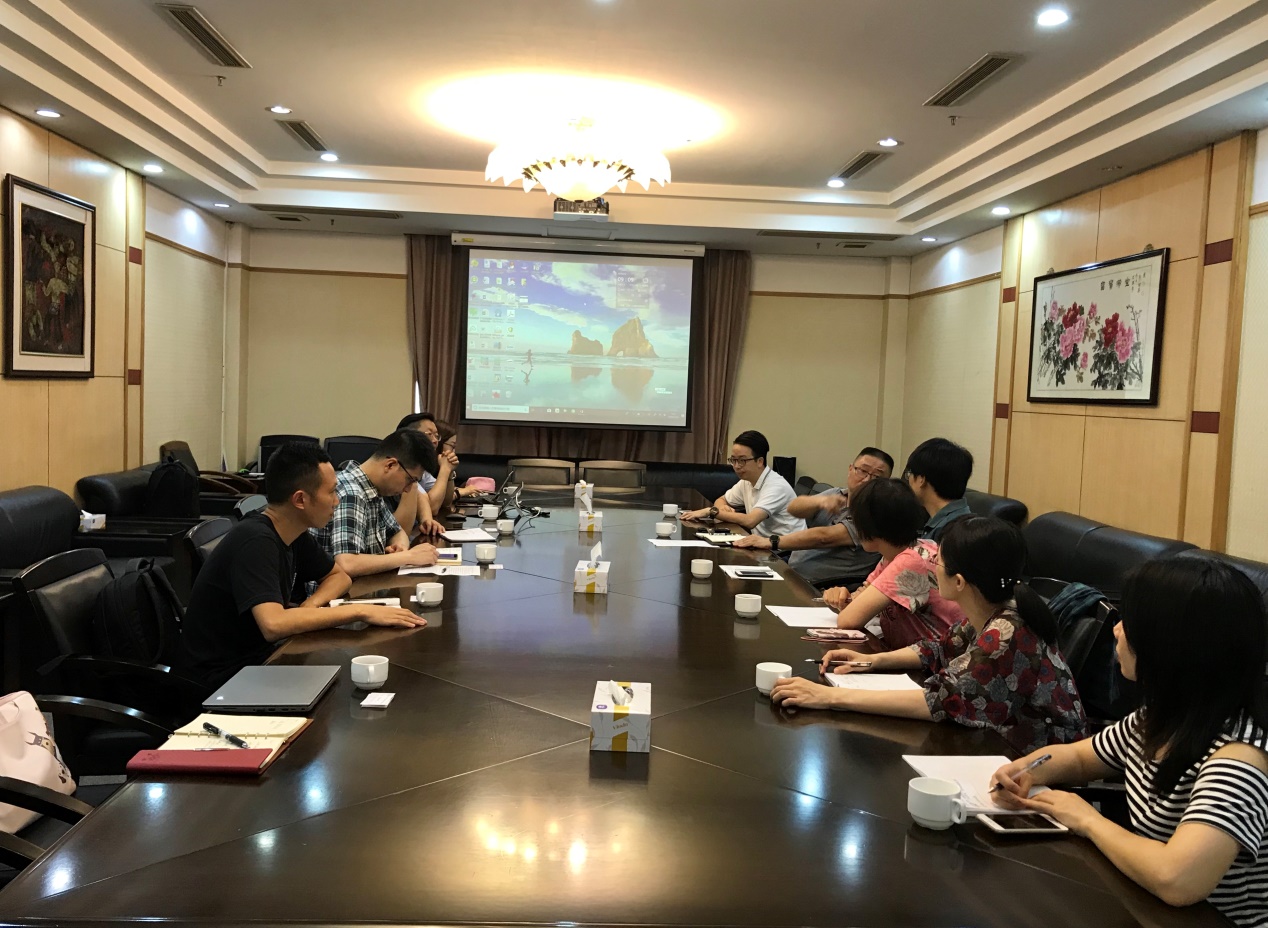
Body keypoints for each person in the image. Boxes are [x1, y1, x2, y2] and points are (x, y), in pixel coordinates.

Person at [990, 558, 1268, 921]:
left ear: (1170, 646)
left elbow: (1178, 880)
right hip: (1147, 906)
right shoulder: (1163, 716)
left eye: (1131, 623)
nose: (1117, 630)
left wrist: (1087, 819)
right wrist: (1025, 770)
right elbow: (1080, 758)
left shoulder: (1239, 759)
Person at [771, 515, 1088, 755]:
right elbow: (937, 649)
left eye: (940, 561)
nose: (932, 565)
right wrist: (871, 661)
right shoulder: (994, 609)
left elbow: (940, 701)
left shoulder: (1006, 632)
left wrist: (829, 697)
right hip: (993, 745)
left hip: (1031, 761)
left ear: (959, 581)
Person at [179, 442, 426, 690]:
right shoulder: (256, 541)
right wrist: (360, 611)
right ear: (300, 499)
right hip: (222, 680)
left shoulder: (293, 532)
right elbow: (274, 625)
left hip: (262, 659)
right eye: (331, 492)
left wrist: (311, 606)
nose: (337, 501)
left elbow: (339, 576)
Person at [819, 478, 963, 648]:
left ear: (870, 525)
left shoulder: (911, 562)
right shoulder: (899, 553)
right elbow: (860, 599)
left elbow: (848, 620)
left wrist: (850, 607)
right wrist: (842, 596)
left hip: (935, 658)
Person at [734, 447, 892, 588]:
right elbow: (793, 508)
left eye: (877, 477)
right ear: (850, 469)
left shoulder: (875, 515)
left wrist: (772, 542)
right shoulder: (838, 493)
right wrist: (819, 501)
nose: (867, 480)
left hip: (824, 587)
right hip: (793, 572)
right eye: (863, 471)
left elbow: (824, 537)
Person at [310, 429, 440, 578]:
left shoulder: (372, 490)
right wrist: (408, 557)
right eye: (410, 480)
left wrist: (400, 548)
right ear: (390, 465)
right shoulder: (352, 493)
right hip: (341, 591)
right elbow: (347, 563)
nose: (408, 489)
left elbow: (397, 532)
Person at [681, 430, 805, 537]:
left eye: (742, 460)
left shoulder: (776, 486)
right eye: (733, 460)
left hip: (785, 551)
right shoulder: (746, 481)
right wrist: (722, 508)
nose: (736, 466)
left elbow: (750, 521)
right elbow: (722, 499)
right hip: (763, 544)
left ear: (760, 461)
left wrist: (712, 512)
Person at [903, 437, 974, 542]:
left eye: (909, 474)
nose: (908, 481)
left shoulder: (950, 533)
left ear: (921, 479)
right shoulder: (956, 521)